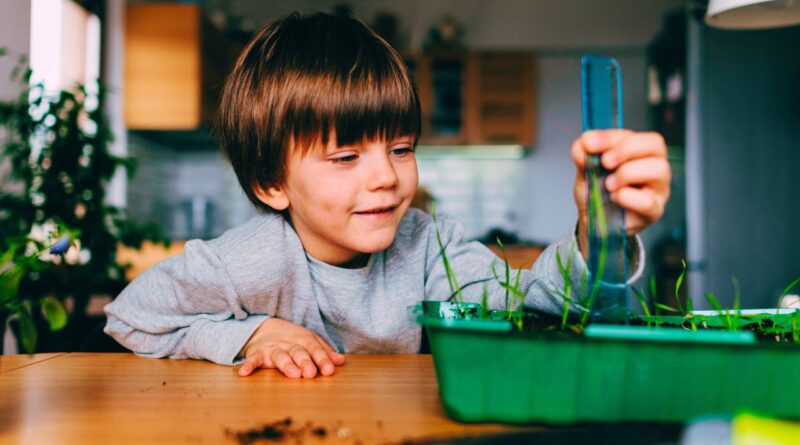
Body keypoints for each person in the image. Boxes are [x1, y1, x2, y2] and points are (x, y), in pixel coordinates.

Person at [104, 12, 671, 379]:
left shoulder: (429, 247)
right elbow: (129, 318)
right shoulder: (245, 261)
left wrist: (596, 236)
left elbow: (537, 310)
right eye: (347, 156)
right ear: (271, 186)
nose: (387, 177)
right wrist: (248, 333)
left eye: (400, 148)